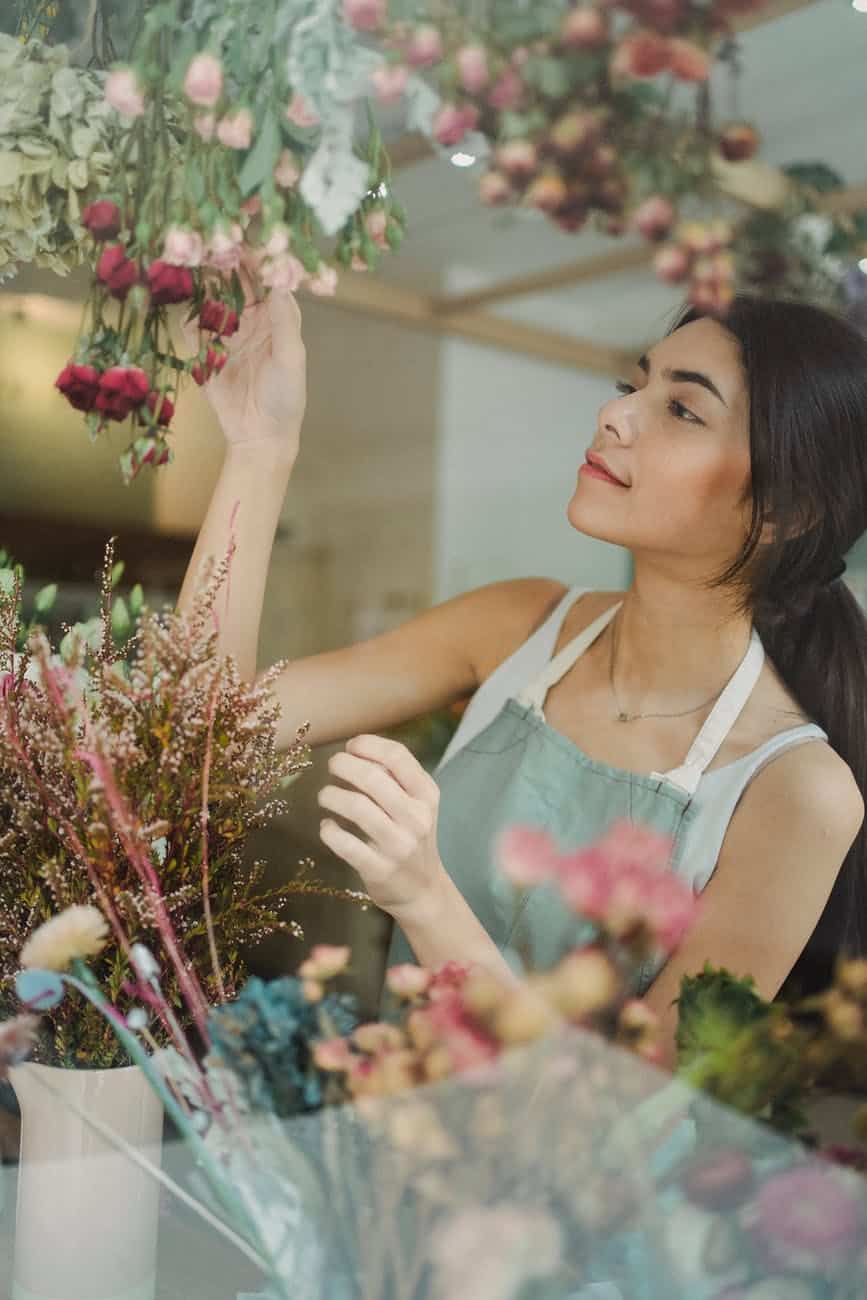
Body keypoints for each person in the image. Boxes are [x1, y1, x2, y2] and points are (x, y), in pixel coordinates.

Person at [178, 291, 867, 1064]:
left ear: (787, 509)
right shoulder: (521, 625)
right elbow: (196, 732)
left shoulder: (798, 793)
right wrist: (259, 446)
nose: (617, 415)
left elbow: (637, 1116)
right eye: (633, 387)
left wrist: (424, 897)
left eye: (681, 410)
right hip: (360, 1152)